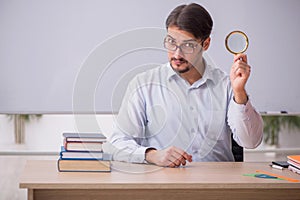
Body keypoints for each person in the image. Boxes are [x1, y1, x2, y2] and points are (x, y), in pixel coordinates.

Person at [109, 3, 263, 167]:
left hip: (219, 185)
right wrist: (152, 155)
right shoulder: (144, 84)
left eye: (188, 45)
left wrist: (239, 91)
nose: (177, 54)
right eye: (171, 42)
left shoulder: (225, 85)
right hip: (165, 185)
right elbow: (116, 144)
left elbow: (251, 142)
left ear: (205, 44)